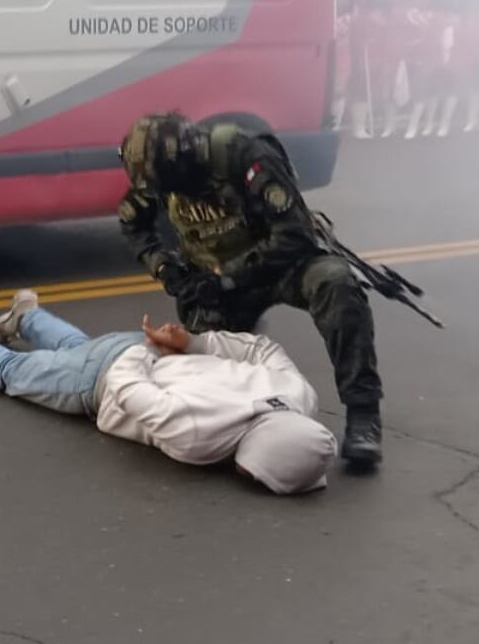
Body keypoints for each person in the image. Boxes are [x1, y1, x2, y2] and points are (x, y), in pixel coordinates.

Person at [117, 112, 384, 468]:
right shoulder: (158, 172)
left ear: (187, 157)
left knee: (336, 284)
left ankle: (363, 414)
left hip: (280, 264)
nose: (173, 195)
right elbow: (133, 222)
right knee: (199, 365)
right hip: (219, 282)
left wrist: (229, 277)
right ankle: (241, 422)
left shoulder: (242, 154)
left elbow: (294, 235)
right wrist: (167, 271)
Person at [0, 293, 336, 495]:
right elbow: (127, 389)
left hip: (142, 354)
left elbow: (263, 348)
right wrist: (143, 352)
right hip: (109, 375)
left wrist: (191, 344)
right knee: (11, 372)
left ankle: (27, 317)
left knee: (76, 349)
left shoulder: (298, 395)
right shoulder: (199, 438)